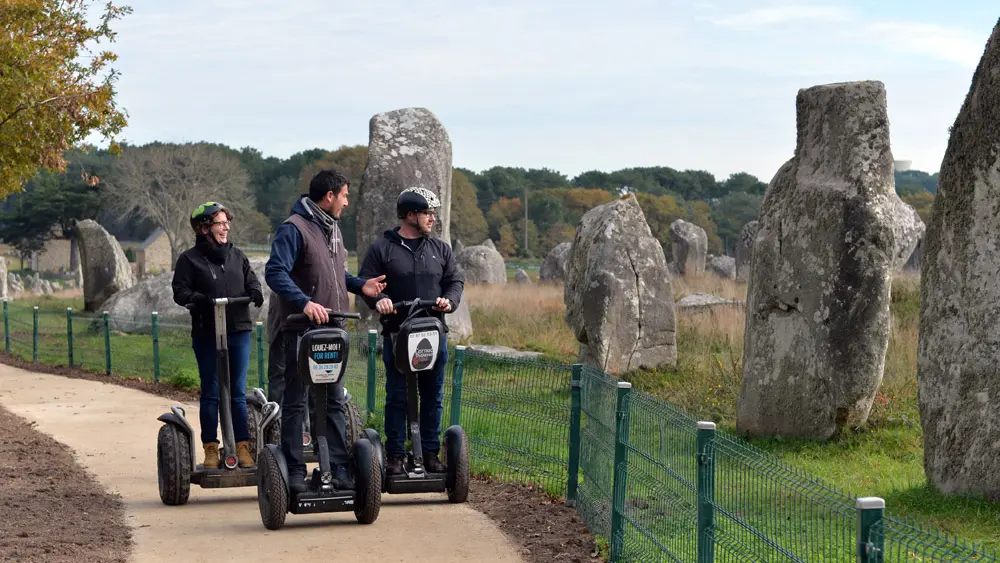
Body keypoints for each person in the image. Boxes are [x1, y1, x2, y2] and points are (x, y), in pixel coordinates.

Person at [265, 169, 386, 492]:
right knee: (296, 400)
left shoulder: (332, 228)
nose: (346, 202)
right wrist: (304, 303)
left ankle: (337, 469)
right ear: (329, 196)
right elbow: (275, 272)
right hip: (301, 329)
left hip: (333, 329)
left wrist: (361, 286)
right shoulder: (294, 228)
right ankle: (294, 471)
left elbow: (334, 273)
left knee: (333, 400)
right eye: (344, 196)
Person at [357, 187, 464, 475]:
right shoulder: (383, 249)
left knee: (432, 396)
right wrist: (379, 300)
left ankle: (429, 453)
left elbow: (455, 281)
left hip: (433, 333)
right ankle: (394, 455)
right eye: (428, 213)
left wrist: (449, 300)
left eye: (433, 213)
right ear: (410, 215)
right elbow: (366, 284)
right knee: (397, 396)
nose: (433, 218)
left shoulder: (440, 249)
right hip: (398, 335)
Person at [171, 201, 264, 470]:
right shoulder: (189, 260)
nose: (225, 228)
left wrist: (255, 291)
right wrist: (196, 299)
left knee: (237, 391)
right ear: (204, 229)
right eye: (220, 224)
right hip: (207, 332)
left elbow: (251, 280)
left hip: (238, 329)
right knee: (211, 391)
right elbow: (180, 291)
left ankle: (242, 446)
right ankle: (211, 448)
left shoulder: (237, 256)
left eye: (226, 223)